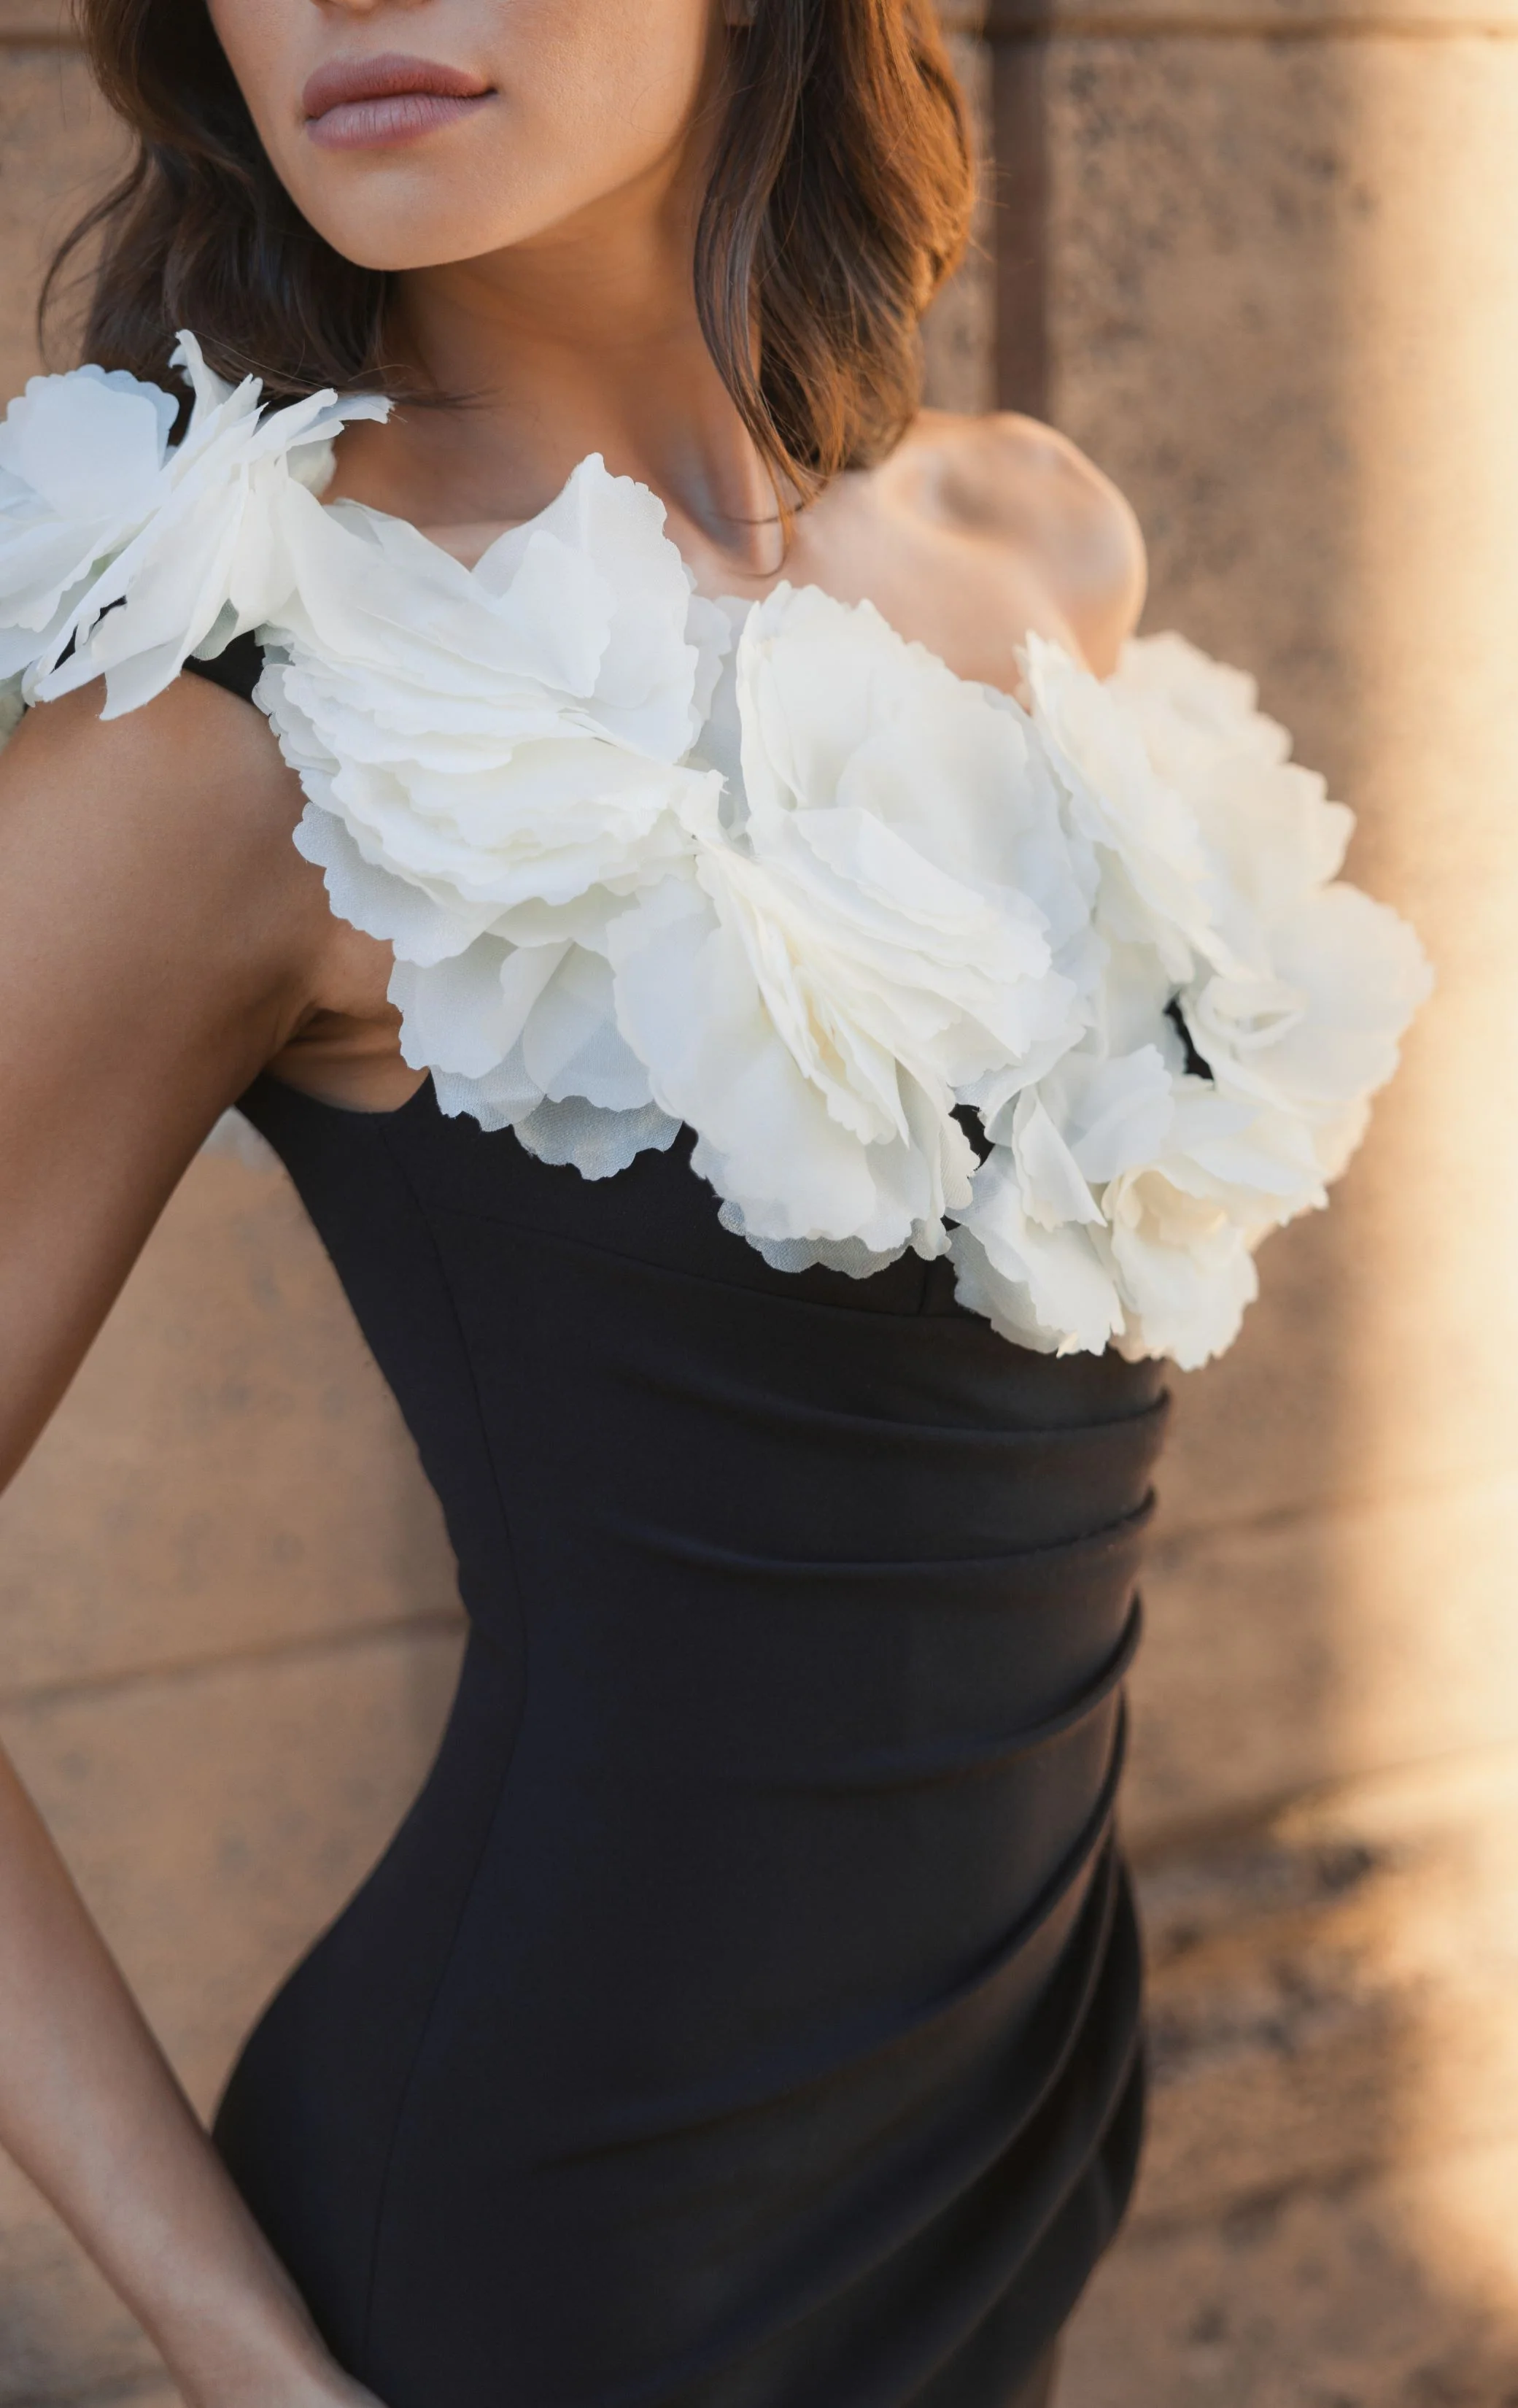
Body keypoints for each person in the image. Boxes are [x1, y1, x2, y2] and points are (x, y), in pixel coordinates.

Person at [0, 1, 1430, 2401]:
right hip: (570, 2254)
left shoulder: (1035, 542)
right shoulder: (243, 720)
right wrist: (250, 2360)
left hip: (998, 2150)